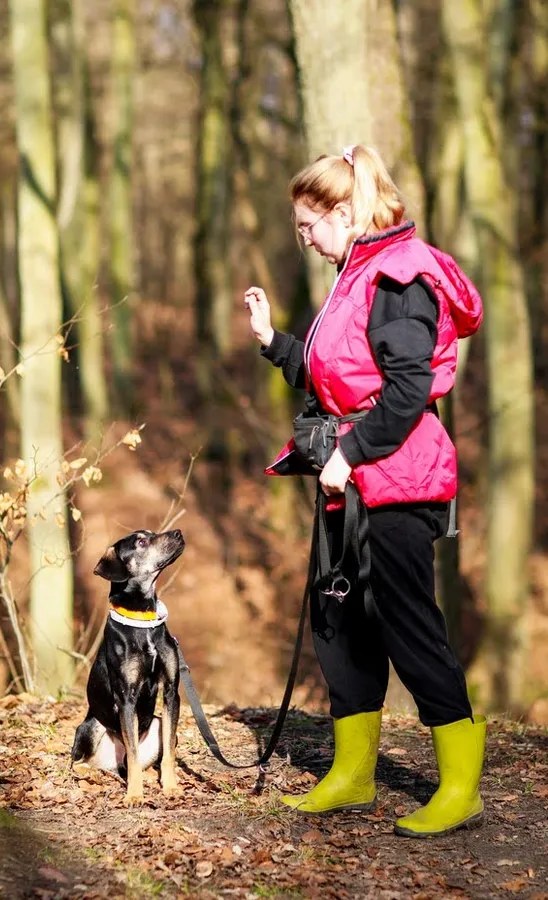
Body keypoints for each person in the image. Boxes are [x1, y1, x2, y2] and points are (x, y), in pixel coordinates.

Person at [243, 144, 485, 839]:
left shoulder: (400, 277)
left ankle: (460, 787)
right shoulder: (356, 274)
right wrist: (274, 342)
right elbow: (339, 379)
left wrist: (350, 452)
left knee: (409, 625)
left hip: (399, 479)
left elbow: (408, 391)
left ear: (344, 212)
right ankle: (351, 776)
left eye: (308, 225)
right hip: (349, 480)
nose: (304, 238)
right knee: (340, 625)